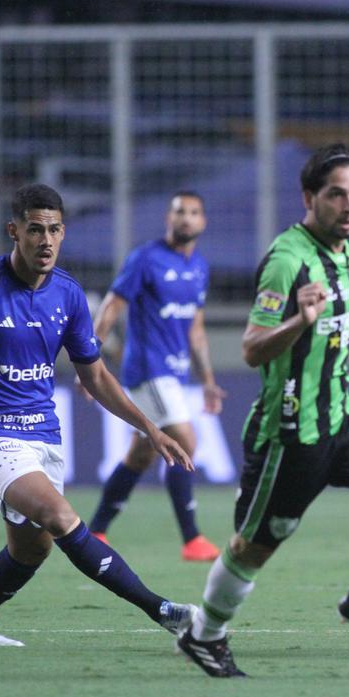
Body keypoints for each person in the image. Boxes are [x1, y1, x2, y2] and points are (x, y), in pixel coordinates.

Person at [176, 144, 349, 678]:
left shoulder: (338, 248)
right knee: (254, 548)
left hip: (342, 415)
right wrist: (299, 321)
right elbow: (251, 347)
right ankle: (204, 635)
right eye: (336, 194)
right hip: (293, 432)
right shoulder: (285, 262)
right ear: (309, 198)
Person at [0, 183, 196, 648]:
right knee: (61, 517)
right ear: (13, 232)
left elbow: (97, 376)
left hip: (44, 429)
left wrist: (150, 429)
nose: (46, 240)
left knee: (30, 550)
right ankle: (161, 610)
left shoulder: (68, 295)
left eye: (55, 230)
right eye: (35, 229)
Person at [83, 191, 224, 561]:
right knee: (184, 440)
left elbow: (195, 329)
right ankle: (192, 539)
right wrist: (90, 357)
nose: (187, 218)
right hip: (148, 369)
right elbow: (113, 305)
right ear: (168, 217)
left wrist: (207, 379)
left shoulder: (199, 268)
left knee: (141, 455)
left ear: (203, 222)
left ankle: (95, 531)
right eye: (180, 212)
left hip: (176, 374)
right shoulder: (145, 259)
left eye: (194, 213)